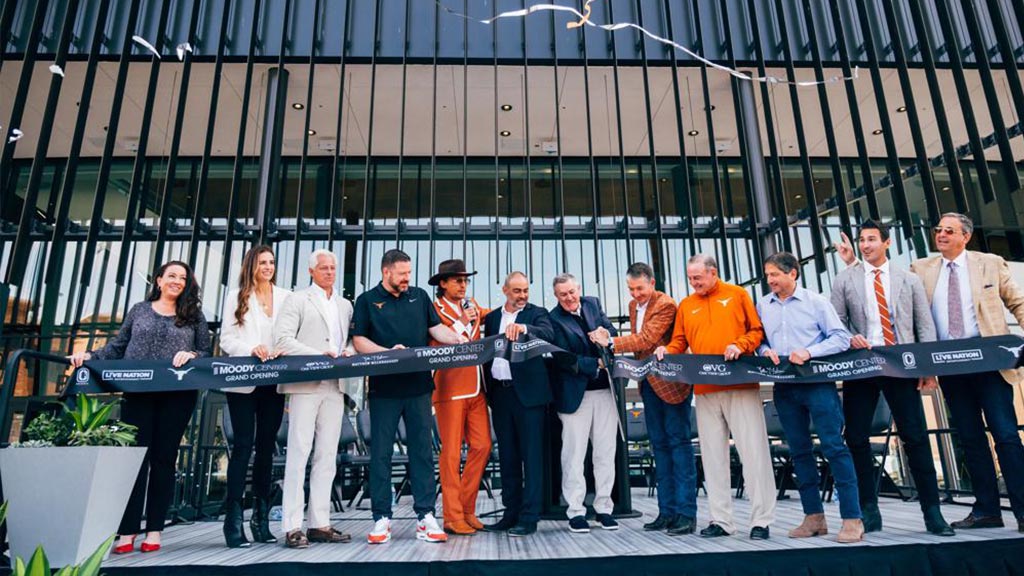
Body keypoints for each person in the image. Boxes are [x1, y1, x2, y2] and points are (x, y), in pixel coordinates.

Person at [69, 261, 211, 554]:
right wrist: (90, 356)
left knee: (163, 459)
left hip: (177, 394)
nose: (177, 281)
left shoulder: (194, 316)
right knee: (134, 460)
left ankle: (155, 529)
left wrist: (192, 354)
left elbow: (206, 352)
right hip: (137, 393)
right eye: (171, 276)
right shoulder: (139, 310)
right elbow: (117, 347)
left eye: (182, 278)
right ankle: (127, 531)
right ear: (159, 280)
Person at [829, 220, 954, 536]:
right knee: (855, 438)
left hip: (900, 365)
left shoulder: (908, 280)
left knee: (914, 436)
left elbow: (924, 325)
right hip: (862, 366)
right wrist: (850, 337)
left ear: (887, 243)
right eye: (862, 240)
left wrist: (927, 369)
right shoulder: (845, 280)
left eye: (872, 239)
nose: (866, 244)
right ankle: (869, 510)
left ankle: (932, 511)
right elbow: (836, 322)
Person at [909, 213, 1024, 532]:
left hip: (990, 362)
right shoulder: (921, 269)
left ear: (966, 236)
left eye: (949, 231)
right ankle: (987, 510)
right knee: (969, 439)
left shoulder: (990, 262)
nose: (941, 235)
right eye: (938, 230)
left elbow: (1018, 303)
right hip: (950, 365)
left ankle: (1023, 510)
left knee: (1006, 435)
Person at [650, 255, 776, 540]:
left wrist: (739, 345)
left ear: (713, 272)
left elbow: (756, 332)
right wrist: (667, 350)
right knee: (712, 458)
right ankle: (721, 520)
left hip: (740, 385)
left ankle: (761, 521)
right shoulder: (686, 304)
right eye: (690, 278)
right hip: (704, 390)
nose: (693, 283)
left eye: (698, 278)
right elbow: (680, 341)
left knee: (753, 452)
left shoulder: (737, 294)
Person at [352, 249, 463, 544]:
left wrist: (459, 338)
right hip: (383, 390)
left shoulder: (419, 297)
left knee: (422, 453)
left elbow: (436, 328)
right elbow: (359, 340)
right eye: (402, 274)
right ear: (386, 271)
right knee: (381, 456)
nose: (407, 279)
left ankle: (425, 516)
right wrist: (389, 354)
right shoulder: (366, 301)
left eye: (409, 274)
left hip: (419, 388)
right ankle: (381, 519)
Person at [756, 252, 864, 543]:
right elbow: (760, 338)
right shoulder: (763, 305)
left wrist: (809, 352)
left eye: (775, 274)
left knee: (834, 447)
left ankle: (852, 519)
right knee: (799, 451)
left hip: (818, 384)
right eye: (767, 275)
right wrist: (764, 350)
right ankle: (814, 517)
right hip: (785, 387)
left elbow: (840, 338)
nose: (770, 280)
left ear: (793, 273)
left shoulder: (816, 302)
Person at [590, 263, 699, 536]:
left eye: (639, 288)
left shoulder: (666, 304)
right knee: (659, 448)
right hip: (648, 384)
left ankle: (686, 514)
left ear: (651, 283)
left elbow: (647, 339)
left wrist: (611, 342)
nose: (636, 294)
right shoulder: (632, 306)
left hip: (672, 385)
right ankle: (666, 512)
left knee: (679, 447)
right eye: (631, 289)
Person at [274, 249, 355, 549]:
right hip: (305, 384)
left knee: (326, 456)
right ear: (311, 271)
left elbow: (346, 340)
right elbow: (282, 341)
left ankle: (320, 523)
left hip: (335, 387)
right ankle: (293, 526)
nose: (330, 272)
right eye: (324, 268)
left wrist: (348, 350)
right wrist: (318, 356)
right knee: (298, 454)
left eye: (333, 268)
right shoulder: (296, 300)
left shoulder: (345, 305)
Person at [219, 245, 291, 547]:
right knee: (243, 446)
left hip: (274, 383)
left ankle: (261, 519)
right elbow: (226, 339)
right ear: (251, 265)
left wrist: (285, 349)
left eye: (272, 262)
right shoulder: (236, 296)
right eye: (263, 262)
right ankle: (233, 521)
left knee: (266, 448)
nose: (268, 266)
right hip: (244, 381)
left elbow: (291, 335)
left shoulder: (287, 297)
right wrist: (251, 350)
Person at [482, 271, 556, 536]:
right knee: (508, 457)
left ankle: (530, 516)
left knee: (531, 458)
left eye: (525, 290)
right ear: (505, 290)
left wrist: (524, 329)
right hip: (500, 396)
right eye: (517, 291)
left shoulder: (537, 314)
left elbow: (549, 334)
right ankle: (510, 512)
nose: (522, 295)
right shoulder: (491, 319)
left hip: (529, 397)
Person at [548, 273, 620, 533]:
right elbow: (562, 359)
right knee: (574, 455)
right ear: (556, 296)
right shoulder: (552, 318)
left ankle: (604, 509)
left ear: (579, 288)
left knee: (604, 453)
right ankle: (576, 511)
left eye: (571, 292)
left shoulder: (593, 303)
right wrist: (596, 363)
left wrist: (605, 335)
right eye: (562, 294)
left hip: (604, 393)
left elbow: (610, 334)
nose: (569, 298)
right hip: (574, 396)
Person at [428, 259, 492, 535]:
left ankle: (467, 509)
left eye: (465, 280)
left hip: (477, 387)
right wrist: (462, 321)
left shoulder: (474, 305)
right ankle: (452, 517)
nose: (463, 285)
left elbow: (497, 315)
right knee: (451, 453)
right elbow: (435, 341)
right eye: (457, 280)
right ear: (443, 283)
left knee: (482, 446)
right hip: (450, 388)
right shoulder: (433, 309)